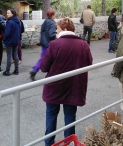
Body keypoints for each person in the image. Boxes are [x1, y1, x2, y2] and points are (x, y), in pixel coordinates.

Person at [40, 18, 93, 146]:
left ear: (64, 29)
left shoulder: (55, 44)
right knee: (70, 116)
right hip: (74, 85)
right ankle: (68, 142)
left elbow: (44, 67)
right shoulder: (83, 45)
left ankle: (49, 143)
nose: (55, 31)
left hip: (55, 86)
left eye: (57, 28)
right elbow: (89, 62)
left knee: (51, 115)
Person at [29, 9, 57, 81]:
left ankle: (37, 70)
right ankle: (35, 70)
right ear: (52, 15)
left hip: (44, 42)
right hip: (49, 44)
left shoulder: (45, 22)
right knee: (49, 58)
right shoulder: (52, 23)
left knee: (44, 57)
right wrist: (56, 35)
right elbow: (51, 34)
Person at [2, 9, 21, 76]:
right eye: (7, 13)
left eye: (8, 13)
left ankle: (7, 71)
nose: (7, 14)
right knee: (15, 55)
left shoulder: (10, 22)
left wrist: (4, 39)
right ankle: (16, 70)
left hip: (9, 41)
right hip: (16, 41)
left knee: (9, 56)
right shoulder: (18, 21)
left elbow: (7, 33)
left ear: (12, 14)